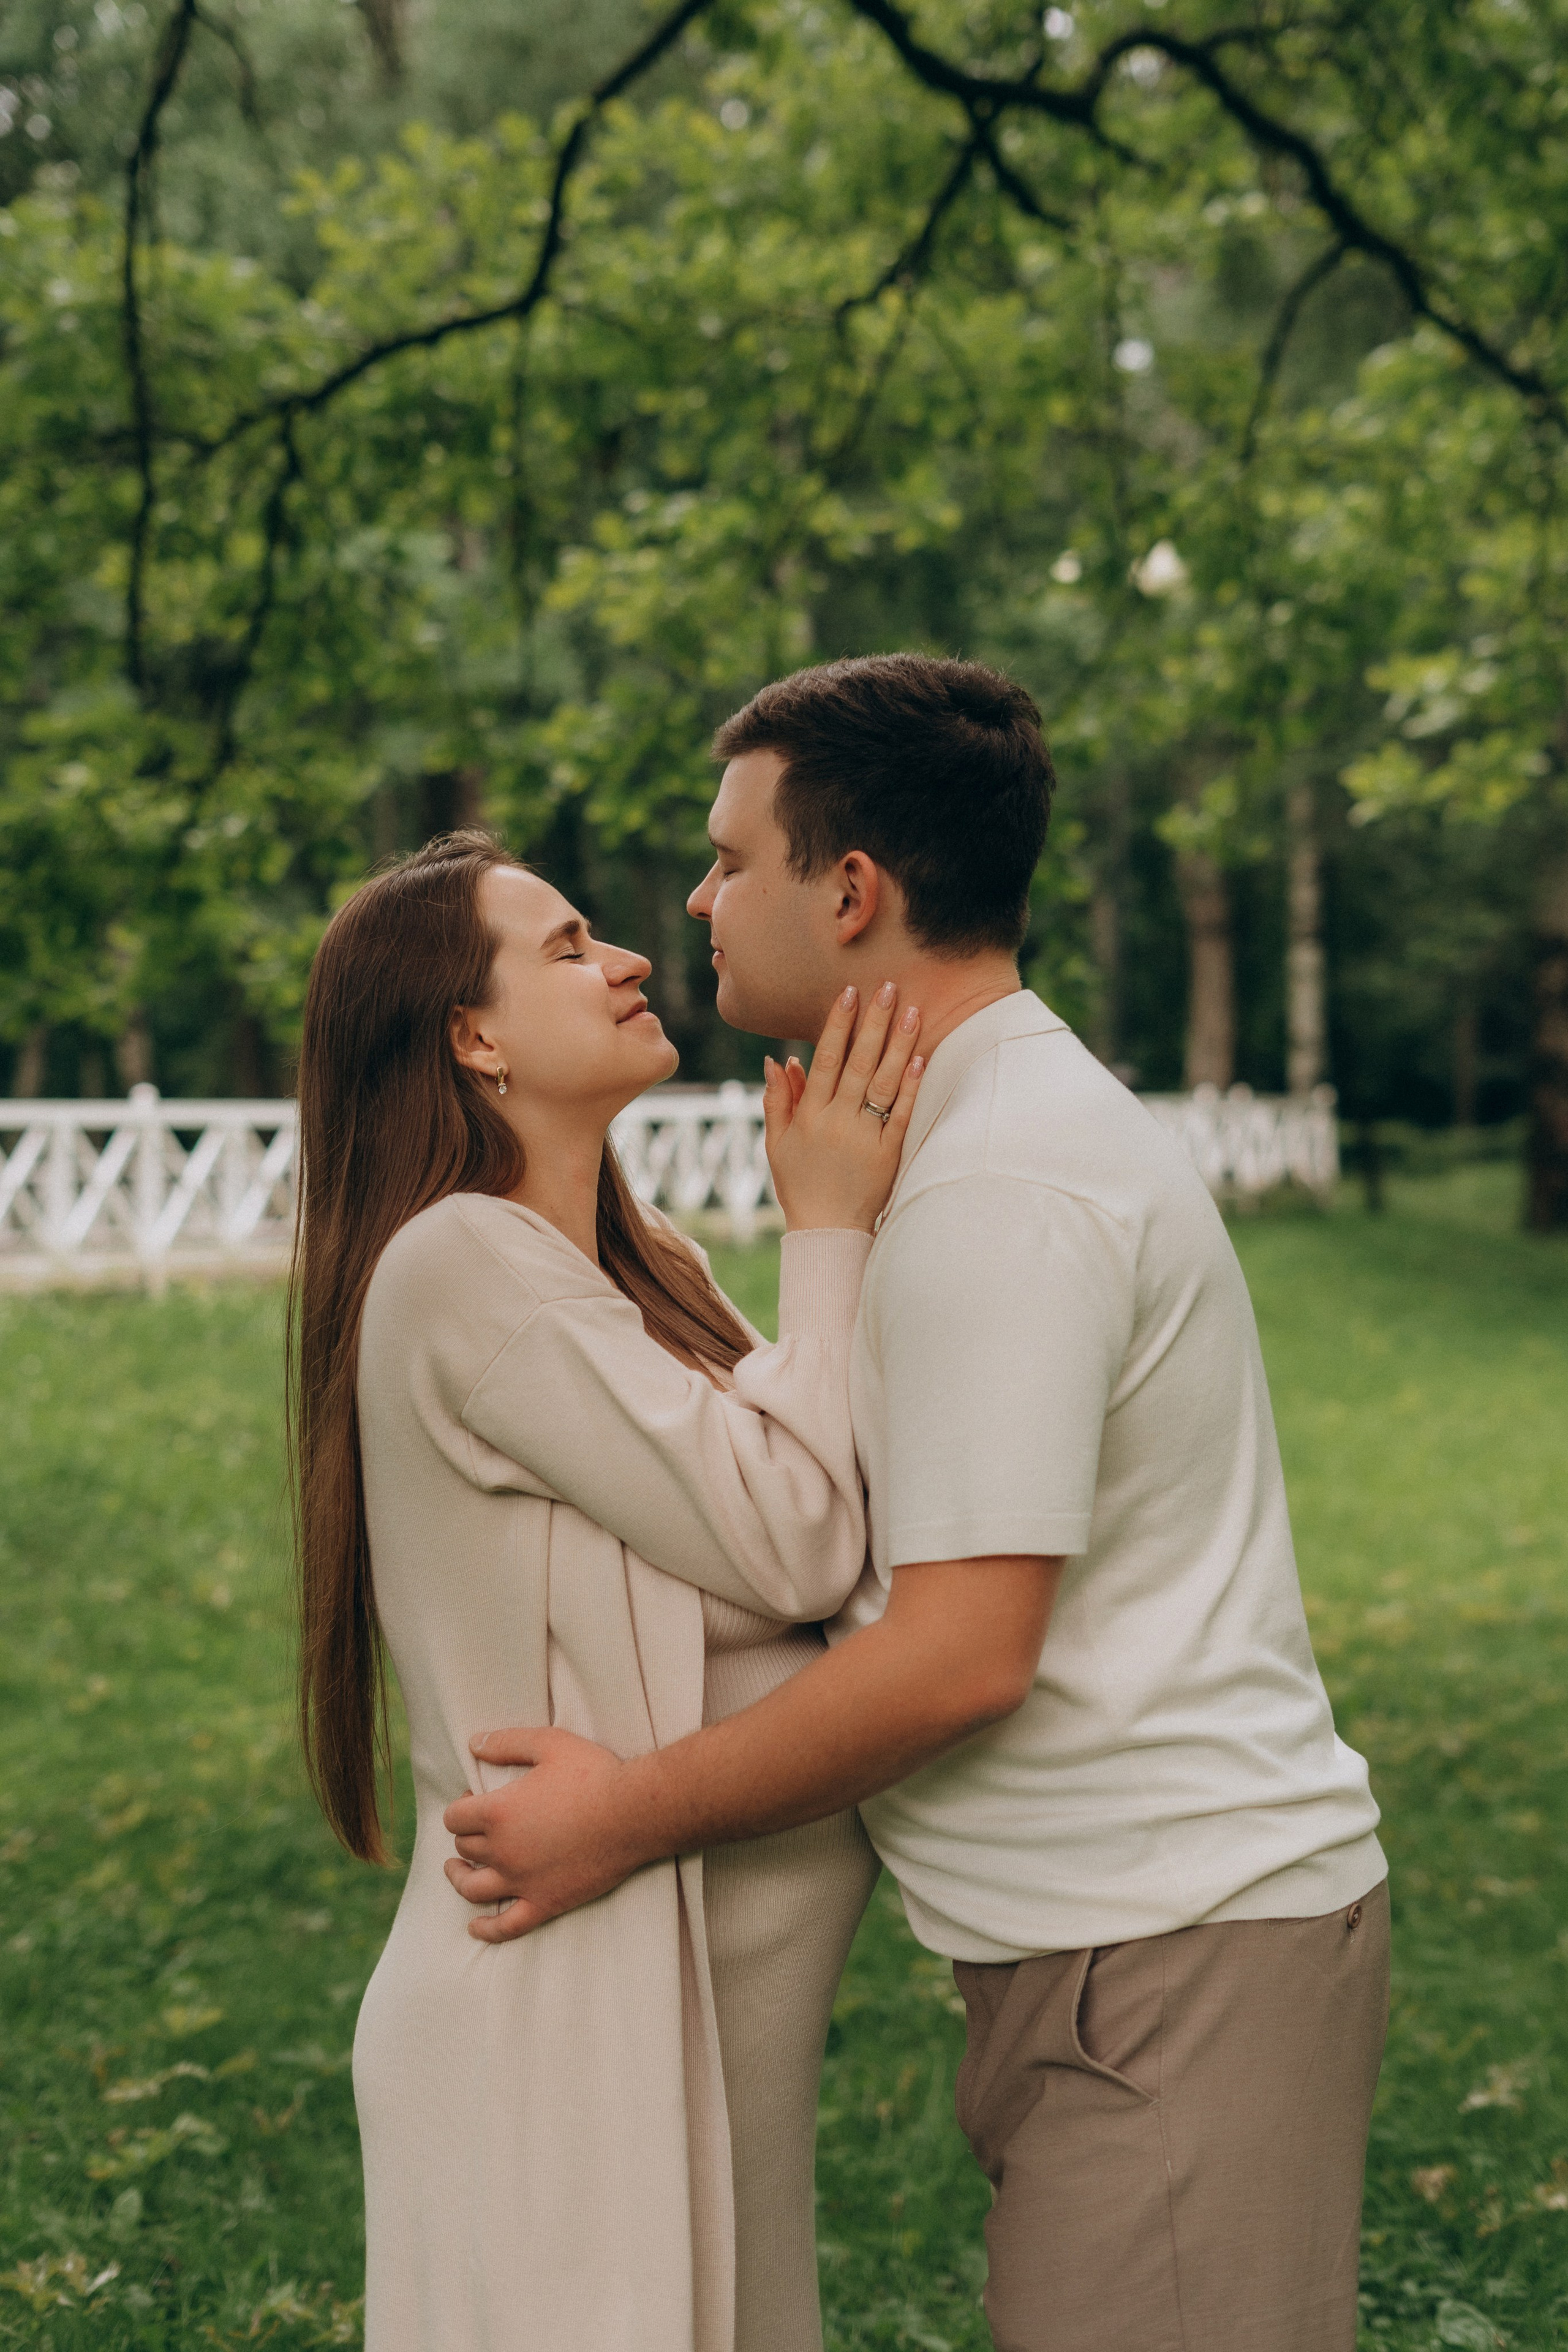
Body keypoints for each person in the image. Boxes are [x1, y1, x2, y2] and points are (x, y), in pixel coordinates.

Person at [444, 655, 1392, 2352]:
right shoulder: (962, 1149)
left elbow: (960, 1656)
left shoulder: (1000, 1188)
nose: (694, 898)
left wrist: (622, 1814)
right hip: (1123, 1949)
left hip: (1171, 1950)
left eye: (732, 857)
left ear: (856, 890)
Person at [285, 828, 927, 2352]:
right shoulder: (459, 1266)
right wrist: (827, 1227)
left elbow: (831, 1493)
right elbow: (796, 1540)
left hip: (697, 2035)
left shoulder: (650, 1279)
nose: (631, 954)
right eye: (567, 947)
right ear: (474, 1037)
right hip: (559, 2027)